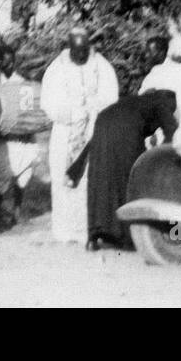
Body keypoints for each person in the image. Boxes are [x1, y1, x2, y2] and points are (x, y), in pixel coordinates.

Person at [69, 89, 178, 251]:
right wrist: (168, 159)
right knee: (130, 179)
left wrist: (73, 170)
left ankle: (95, 235)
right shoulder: (162, 102)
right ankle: (129, 237)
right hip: (127, 129)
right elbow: (173, 134)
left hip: (103, 121)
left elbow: (92, 143)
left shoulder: (133, 102)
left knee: (101, 179)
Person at [40, 25, 118, 244]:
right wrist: (73, 113)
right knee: (62, 178)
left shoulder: (101, 67)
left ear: (89, 47)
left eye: (84, 50)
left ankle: (88, 229)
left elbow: (110, 97)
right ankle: (64, 231)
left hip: (93, 130)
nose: (80, 55)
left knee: (89, 180)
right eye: (76, 51)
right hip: (65, 132)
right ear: (69, 48)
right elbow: (49, 102)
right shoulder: (56, 68)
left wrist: (92, 110)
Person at [0, 43, 38, 229]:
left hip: (19, 137)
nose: (9, 66)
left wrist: (26, 126)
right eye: (5, 63)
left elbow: (28, 110)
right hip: (1, 139)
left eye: (12, 62)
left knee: (23, 173)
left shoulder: (21, 81)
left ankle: (16, 213)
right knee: (3, 175)